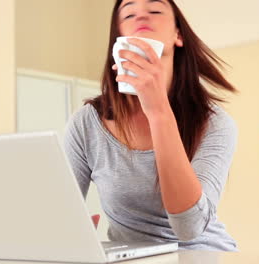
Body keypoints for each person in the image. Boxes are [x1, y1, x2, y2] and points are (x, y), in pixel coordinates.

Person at [63, 0, 238, 251]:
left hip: (200, 254)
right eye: (129, 13)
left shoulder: (215, 123)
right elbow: (62, 214)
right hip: (131, 257)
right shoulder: (86, 123)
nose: (142, 17)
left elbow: (189, 228)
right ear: (118, 40)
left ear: (178, 34)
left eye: (155, 11)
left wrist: (157, 110)